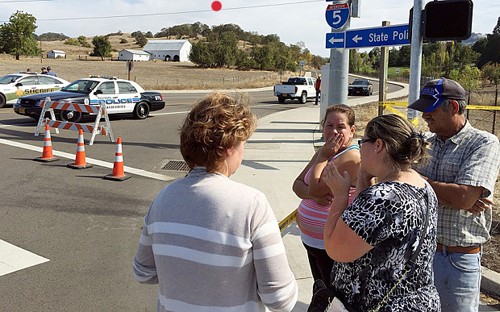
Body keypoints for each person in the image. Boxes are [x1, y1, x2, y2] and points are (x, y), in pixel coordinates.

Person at [133, 92, 298, 312]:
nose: (243, 152)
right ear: (227, 148)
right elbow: (280, 300)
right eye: (243, 144)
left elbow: (143, 272)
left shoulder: (163, 199)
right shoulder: (252, 205)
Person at [320, 114, 441, 311]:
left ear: (378, 145)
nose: (360, 148)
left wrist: (340, 196)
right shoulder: (421, 185)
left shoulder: (382, 198)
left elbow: (335, 249)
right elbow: (363, 224)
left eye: (363, 142)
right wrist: (364, 176)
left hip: (378, 305)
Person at [408, 77, 500, 312]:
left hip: (456, 260)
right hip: (419, 254)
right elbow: (400, 182)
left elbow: (464, 198)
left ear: (455, 107)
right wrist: (455, 193)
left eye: (431, 109)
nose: (425, 116)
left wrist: (420, 182)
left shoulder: (483, 143)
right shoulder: (425, 142)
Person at [292, 104, 360, 302]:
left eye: (341, 127)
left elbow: (314, 188)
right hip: (311, 240)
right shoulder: (328, 151)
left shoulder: (350, 157)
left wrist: (322, 157)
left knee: (332, 296)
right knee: (320, 287)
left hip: (328, 243)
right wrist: (313, 195)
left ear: (352, 130)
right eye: (329, 125)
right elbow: (297, 185)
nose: (334, 131)